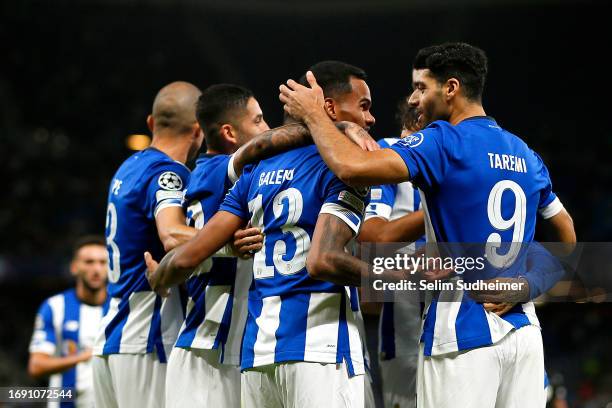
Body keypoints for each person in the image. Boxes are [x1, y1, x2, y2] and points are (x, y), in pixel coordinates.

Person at [279, 42, 576, 407]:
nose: (415, 99)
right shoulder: (525, 153)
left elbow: (351, 168)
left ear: (450, 88)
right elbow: (567, 235)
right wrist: (528, 283)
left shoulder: (443, 141)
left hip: (460, 330)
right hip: (525, 336)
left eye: (422, 88)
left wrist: (314, 116)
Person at [145, 61, 379, 408]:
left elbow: (189, 254)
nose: (371, 119)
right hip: (320, 347)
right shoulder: (346, 168)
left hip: (257, 355)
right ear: (327, 107)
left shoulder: (255, 171)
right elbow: (325, 259)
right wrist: (413, 279)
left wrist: (160, 276)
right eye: (364, 106)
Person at [92, 81, 204, 408]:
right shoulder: (168, 174)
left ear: (152, 124)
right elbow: (171, 234)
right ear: (198, 131)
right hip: (146, 338)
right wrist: (229, 238)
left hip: (112, 336)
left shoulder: (128, 168)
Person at [165, 84, 270, 408]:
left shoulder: (211, 172)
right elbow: (261, 147)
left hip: (226, 346)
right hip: (209, 349)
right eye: (258, 120)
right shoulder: (217, 170)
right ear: (229, 132)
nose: (266, 129)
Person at [358, 99, 424, 408]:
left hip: (452, 326)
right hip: (404, 334)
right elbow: (373, 238)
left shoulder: (455, 159)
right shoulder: (389, 150)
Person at [29, 236, 109, 408]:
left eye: (103, 262)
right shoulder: (55, 306)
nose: (96, 269)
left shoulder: (122, 308)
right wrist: (82, 357)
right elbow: (36, 366)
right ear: (74, 267)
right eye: (89, 262)